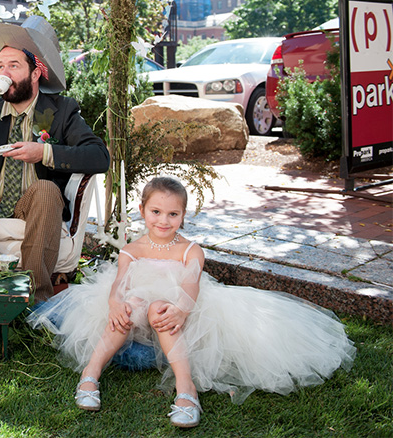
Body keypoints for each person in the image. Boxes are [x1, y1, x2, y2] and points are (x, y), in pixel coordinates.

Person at [28, 177, 356, 427]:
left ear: (183, 216)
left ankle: (187, 390)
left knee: (159, 309)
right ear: (142, 211)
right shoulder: (133, 249)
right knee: (129, 305)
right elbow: (118, 284)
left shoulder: (190, 250)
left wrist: (182, 308)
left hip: (178, 311)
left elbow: (191, 282)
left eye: (173, 214)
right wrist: (116, 304)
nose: (163, 220)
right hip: (136, 309)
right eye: (156, 212)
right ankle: (90, 374)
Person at [0, 16, 110, 302]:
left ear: (35, 73)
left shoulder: (61, 110)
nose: (4, 73)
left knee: (46, 189)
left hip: (35, 201)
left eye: (14, 66)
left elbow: (99, 157)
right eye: (0, 66)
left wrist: (43, 152)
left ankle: (35, 298)